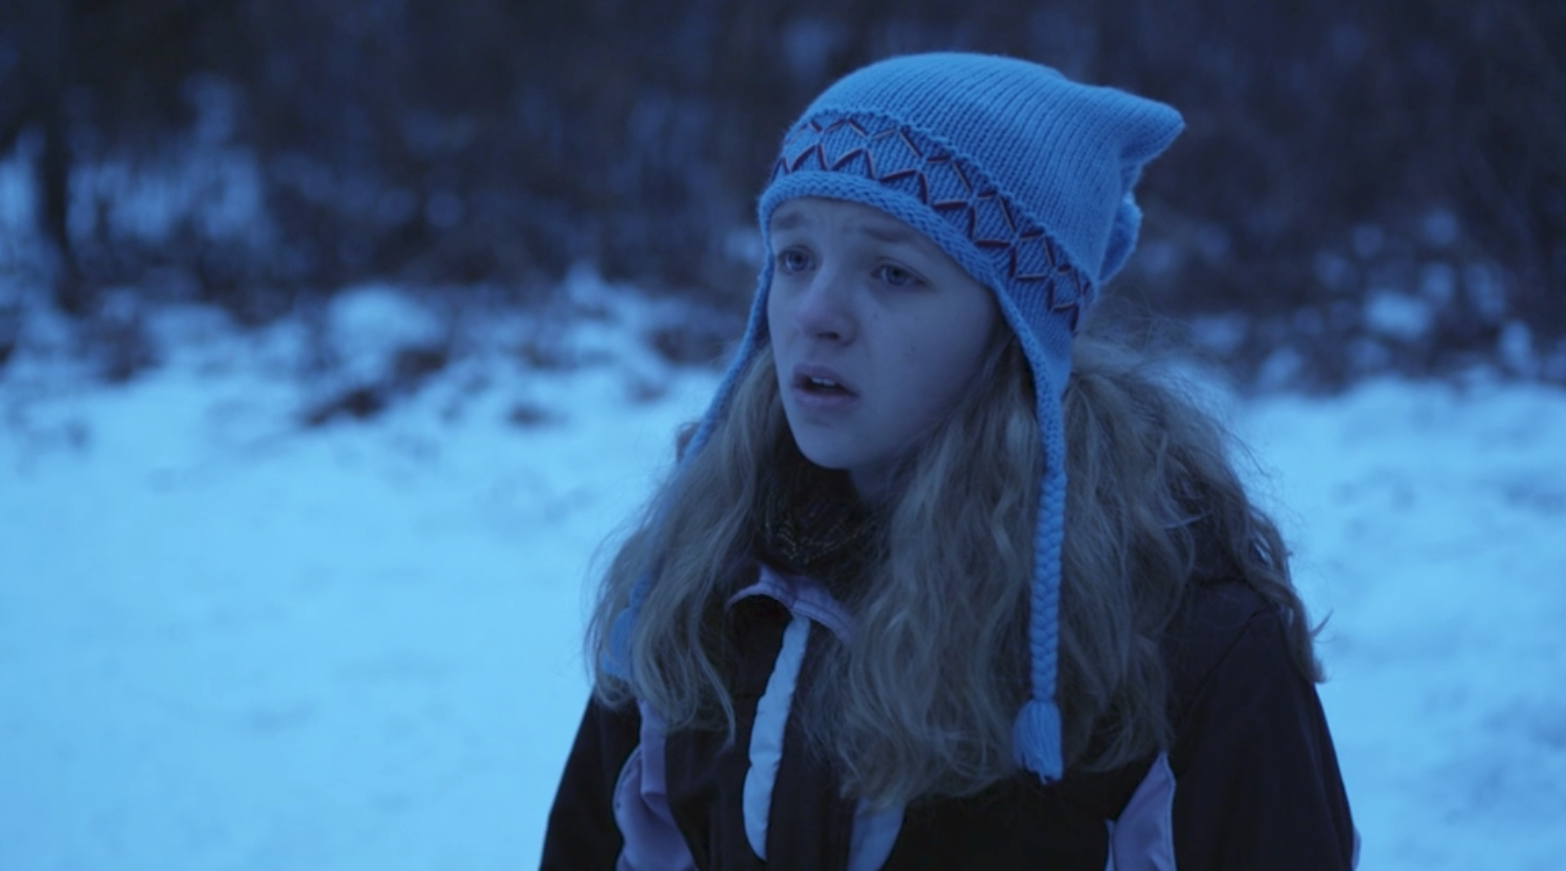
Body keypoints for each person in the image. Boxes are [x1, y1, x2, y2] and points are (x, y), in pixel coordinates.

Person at [541, 52, 1357, 870]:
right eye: (795, 257)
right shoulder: (702, 574)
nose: (816, 314)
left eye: (893, 272)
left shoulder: (1176, 636)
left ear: (1016, 334)